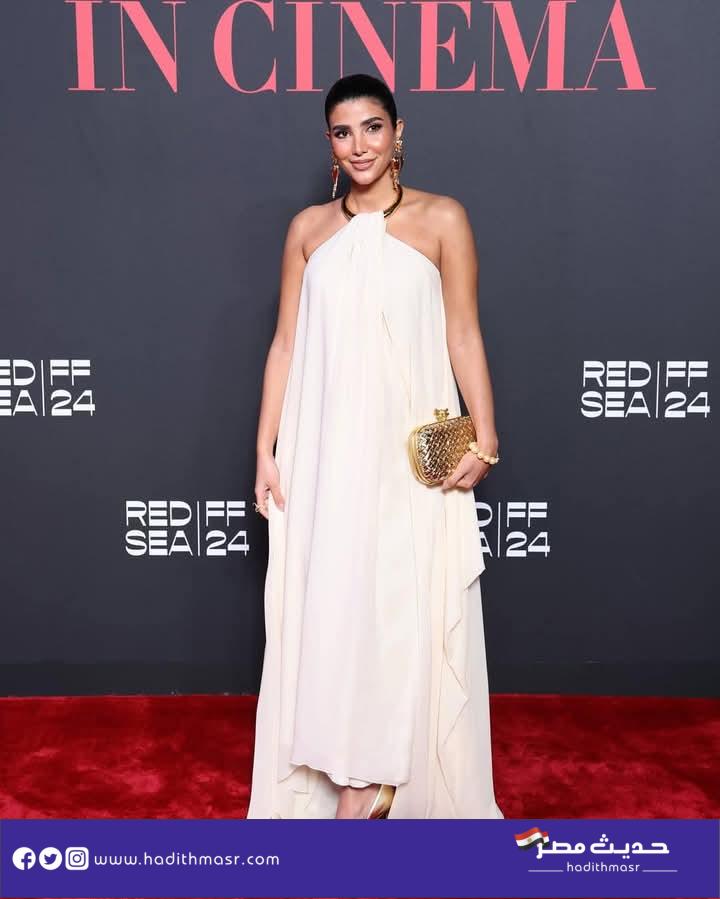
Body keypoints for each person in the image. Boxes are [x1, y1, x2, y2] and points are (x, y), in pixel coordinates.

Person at [247, 73, 504, 820]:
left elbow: (463, 333)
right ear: (328, 143)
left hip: (404, 456)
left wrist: (486, 435)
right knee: (334, 602)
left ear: (398, 132)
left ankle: (378, 778)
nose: (358, 145)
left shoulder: (442, 218)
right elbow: (286, 344)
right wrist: (265, 449)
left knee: (399, 600)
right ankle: (352, 771)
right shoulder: (307, 230)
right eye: (342, 132)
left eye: (372, 127)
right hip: (326, 451)